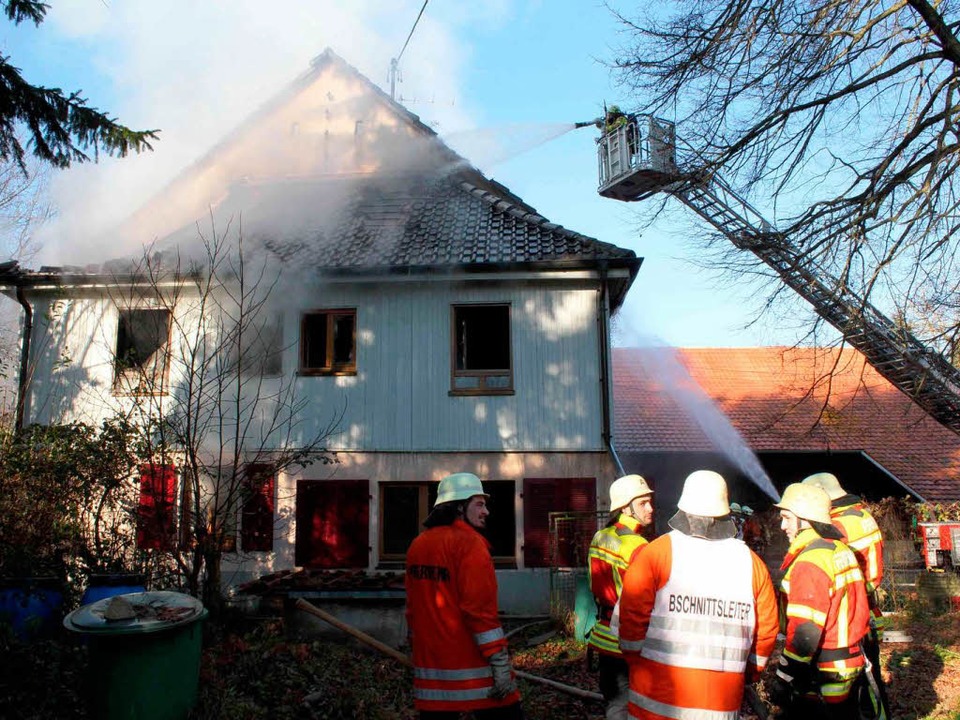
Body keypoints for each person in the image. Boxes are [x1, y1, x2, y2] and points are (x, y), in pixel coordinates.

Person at [618, 470, 779, 720]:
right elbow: (767, 632)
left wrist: (639, 664)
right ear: (726, 514)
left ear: (683, 509)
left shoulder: (655, 554)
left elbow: (628, 625)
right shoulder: (752, 564)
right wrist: (748, 674)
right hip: (720, 708)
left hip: (655, 706)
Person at [405, 472, 523, 720]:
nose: (486, 512)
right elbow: (479, 610)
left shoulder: (418, 545)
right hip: (474, 671)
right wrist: (499, 660)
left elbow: (413, 610)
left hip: (432, 676)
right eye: (479, 504)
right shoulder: (470, 544)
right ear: (459, 508)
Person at [770, 483, 870, 719]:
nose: (782, 526)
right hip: (848, 665)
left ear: (805, 520)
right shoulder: (838, 549)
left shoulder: (810, 561)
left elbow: (806, 632)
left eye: (786, 518)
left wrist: (785, 677)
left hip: (824, 673)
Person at [801, 471, 890, 718]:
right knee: (872, 685)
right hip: (868, 611)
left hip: (849, 619)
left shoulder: (838, 526)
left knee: (856, 694)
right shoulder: (862, 516)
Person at [586, 474, 654, 720]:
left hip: (603, 636)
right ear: (626, 507)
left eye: (649, 502)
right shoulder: (639, 546)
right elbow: (647, 600)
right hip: (628, 639)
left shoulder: (600, 536)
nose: (650, 508)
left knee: (614, 702)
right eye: (643, 503)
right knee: (629, 706)